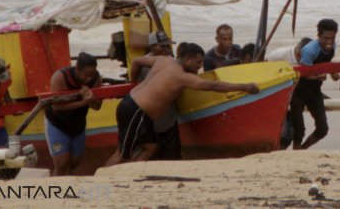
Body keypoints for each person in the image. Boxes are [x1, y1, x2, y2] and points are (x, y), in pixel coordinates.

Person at [106, 43, 259, 166]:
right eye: (198, 62)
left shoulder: (163, 60)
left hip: (131, 103)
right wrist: (245, 87)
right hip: (136, 111)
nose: (199, 67)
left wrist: (133, 82)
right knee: (122, 154)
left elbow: (138, 61)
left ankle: (129, 175)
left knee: (151, 146)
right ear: (187, 60)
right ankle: (99, 179)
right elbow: (214, 86)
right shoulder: (181, 76)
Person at [44, 52, 103, 176]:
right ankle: (57, 190)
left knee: (74, 163)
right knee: (61, 164)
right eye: (85, 76)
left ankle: (68, 187)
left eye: (91, 75)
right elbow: (56, 106)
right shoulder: (60, 77)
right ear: (77, 70)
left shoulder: (96, 79)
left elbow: (97, 106)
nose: (88, 79)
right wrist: (83, 102)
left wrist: (91, 100)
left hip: (77, 124)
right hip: (57, 123)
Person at [291, 20, 339, 150]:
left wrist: (333, 73)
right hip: (299, 91)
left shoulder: (334, 46)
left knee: (323, 129)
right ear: (318, 36)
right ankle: (295, 153)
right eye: (326, 38)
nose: (329, 42)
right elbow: (303, 73)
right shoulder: (309, 51)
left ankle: (302, 149)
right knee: (299, 129)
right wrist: (318, 76)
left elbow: (327, 65)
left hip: (315, 92)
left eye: (332, 38)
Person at [137, 30, 180, 161]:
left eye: (167, 45)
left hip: (167, 117)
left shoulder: (169, 61)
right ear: (152, 46)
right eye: (162, 46)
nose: (166, 48)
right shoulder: (146, 65)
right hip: (154, 116)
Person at [267, 37, 313, 149]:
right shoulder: (279, 56)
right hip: (276, 97)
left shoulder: (312, 56)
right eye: (300, 56)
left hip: (294, 95)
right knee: (283, 133)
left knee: (289, 135)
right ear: (297, 51)